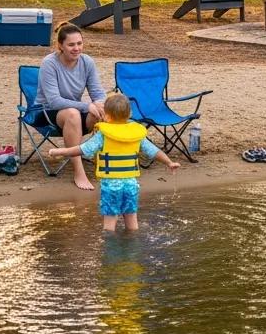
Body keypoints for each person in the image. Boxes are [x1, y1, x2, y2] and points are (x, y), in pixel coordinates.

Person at [47, 92, 179, 233]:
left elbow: (82, 149)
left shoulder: (103, 135)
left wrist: (59, 151)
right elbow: (153, 151)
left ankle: (110, 252)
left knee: (109, 225)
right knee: (132, 222)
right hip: (131, 184)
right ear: (129, 114)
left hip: (111, 186)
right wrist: (169, 162)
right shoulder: (135, 134)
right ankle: (132, 250)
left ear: (107, 115)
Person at [34, 22, 107, 190]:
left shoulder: (87, 62)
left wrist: (99, 104)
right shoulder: (49, 63)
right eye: (71, 44)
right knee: (74, 113)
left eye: (79, 43)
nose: (76, 48)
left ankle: (110, 162)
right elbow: (54, 101)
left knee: (101, 110)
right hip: (47, 113)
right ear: (60, 45)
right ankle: (78, 171)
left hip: (74, 112)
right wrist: (87, 105)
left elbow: (97, 92)